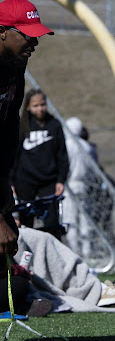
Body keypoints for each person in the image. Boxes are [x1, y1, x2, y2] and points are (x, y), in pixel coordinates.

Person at [0, 0, 54, 261]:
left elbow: (9, 128)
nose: (35, 43)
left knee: (12, 247)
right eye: (27, 36)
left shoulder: (16, 65)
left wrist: (4, 183)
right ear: (2, 32)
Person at [11, 88, 69, 239]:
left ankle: (54, 255)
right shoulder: (22, 126)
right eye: (36, 105)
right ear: (28, 107)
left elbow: (62, 154)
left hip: (48, 181)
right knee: (25, 222)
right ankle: (26, 257)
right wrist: (11, 181)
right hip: (25, 180)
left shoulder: (54, 125)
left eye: (42, 104)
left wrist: (61, 179)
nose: (40, 108)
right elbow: (13, 155)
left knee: (52, 221)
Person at [62, 116, 94, 258]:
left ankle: (75, 252)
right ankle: (87, 250)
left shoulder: (67, 145)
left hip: (69, 185)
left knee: (70, 220)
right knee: (84, 220)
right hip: (84, 185)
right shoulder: (86, 146)